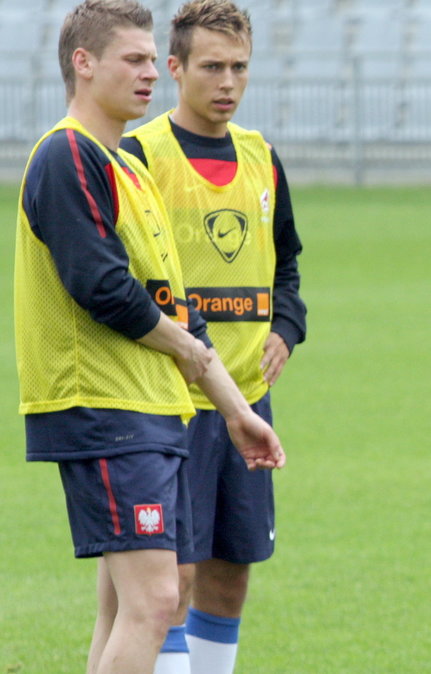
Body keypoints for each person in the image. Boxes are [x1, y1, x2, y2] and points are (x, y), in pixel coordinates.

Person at [13, 2, 285, 673]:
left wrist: (235, 409)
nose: (148, 75)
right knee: (158, 598)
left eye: (147, 60)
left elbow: (178, 306)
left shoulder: (125, 169)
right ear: (84, 64)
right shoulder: (67, 154)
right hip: (106, 409)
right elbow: (105, 290)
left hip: (151, 411)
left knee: (121, 607)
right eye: (133, 60)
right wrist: (199, 360)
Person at [119, 1, 306, 671]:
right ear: (174, 68)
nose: (227, 82)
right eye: (211, 67)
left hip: (248, 399)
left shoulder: (262, 158)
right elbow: (120, 277)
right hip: (168, 404)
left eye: (239, 68)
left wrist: (287, 325)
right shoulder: (139, 155)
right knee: (173, 580)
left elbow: (287, 265)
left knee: (231, 573)